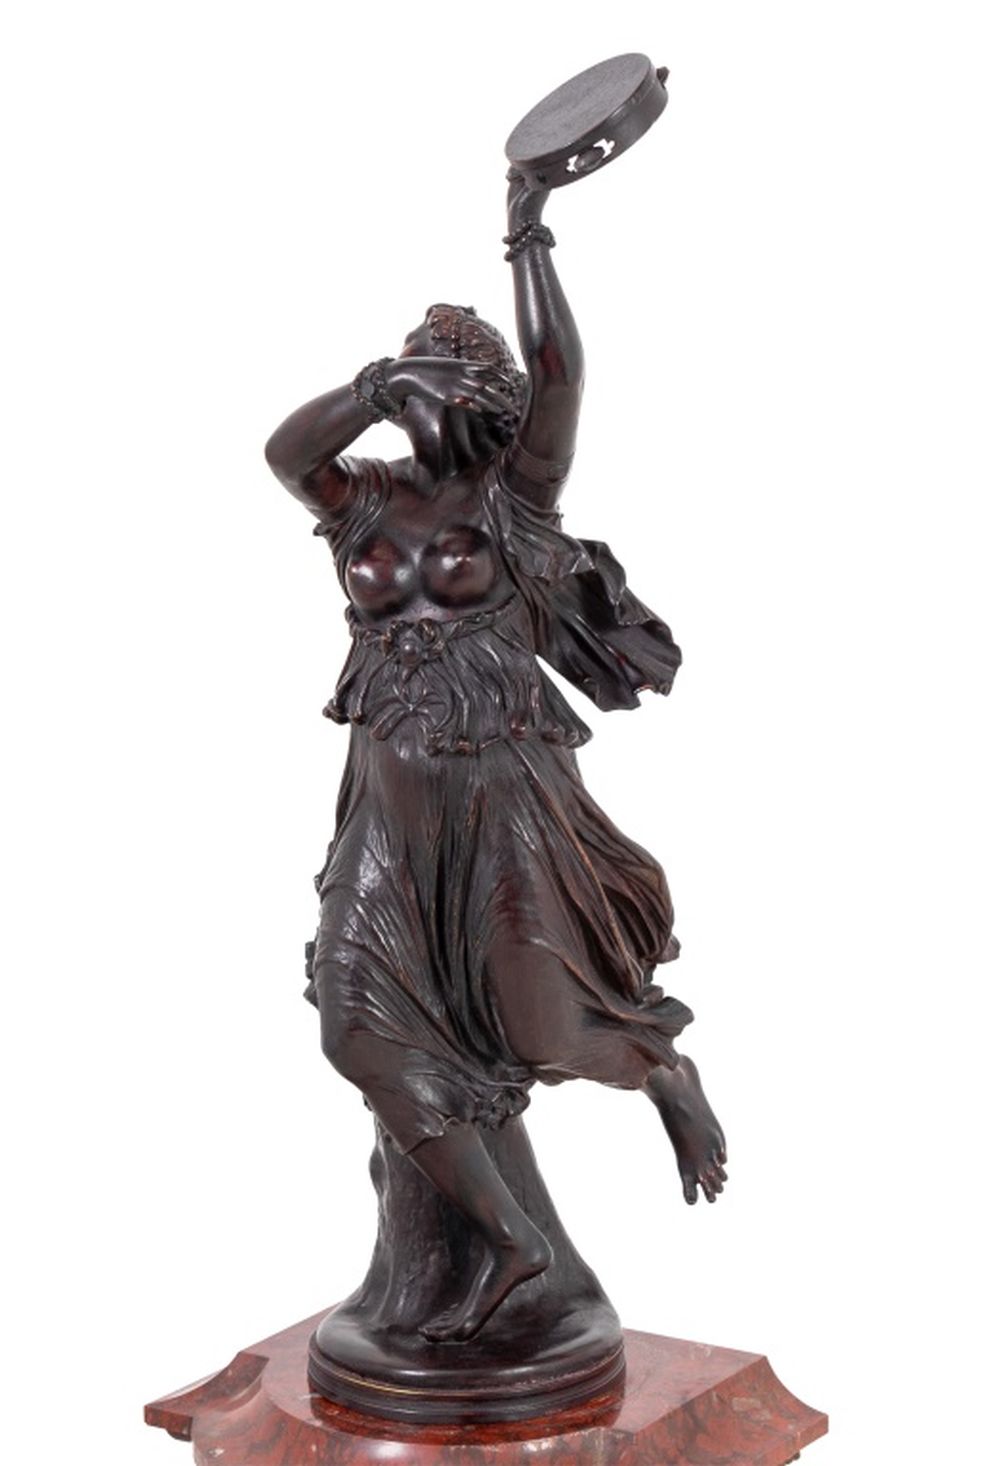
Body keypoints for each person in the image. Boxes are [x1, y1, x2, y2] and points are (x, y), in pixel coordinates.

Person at [264, 172, 727, 1345]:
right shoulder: (363, 500)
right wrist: (373, 385)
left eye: (447, 372)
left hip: (501, 799)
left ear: (483, 402)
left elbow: (562, 375)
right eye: (415, 371)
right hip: (384, 802)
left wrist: (527, 229)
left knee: (535, 1021)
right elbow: (283, 451)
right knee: (356, 1023)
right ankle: (515, 1246)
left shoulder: (511, 497)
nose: (426, 390)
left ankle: (658, 1072)